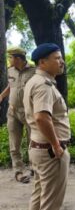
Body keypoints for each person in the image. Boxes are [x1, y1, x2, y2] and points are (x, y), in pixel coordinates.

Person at [23, 44, 75, 210]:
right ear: (43, 62)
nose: (61, 61)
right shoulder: (43, 85)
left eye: (61, 58)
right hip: (49, 151)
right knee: (51, 202)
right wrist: (56, 146)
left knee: (39, 196)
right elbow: (42, 117)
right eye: (57, 58)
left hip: (38, 148)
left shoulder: (34, 81)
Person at [1, 46, 35, 182]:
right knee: (14, 144)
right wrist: (2, 96)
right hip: (13, 111)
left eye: (10, 57)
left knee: (33, 142)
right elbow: (11, 86)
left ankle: (34, 167)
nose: (9, 60)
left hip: (29, 111)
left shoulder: (34, 71)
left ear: (18, 58)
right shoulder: (10, 71)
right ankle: (19, 172)